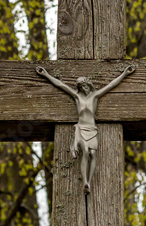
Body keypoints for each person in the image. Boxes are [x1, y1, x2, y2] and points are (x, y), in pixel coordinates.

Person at [35, 64, 136, 193]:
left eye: (85, 86)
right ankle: (85, 182)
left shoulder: (95, 96)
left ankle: (90, 179)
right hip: (81, 129)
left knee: (93, 154)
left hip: (92, 129)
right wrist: (46, 75)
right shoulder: (77, 97)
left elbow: (111, 85)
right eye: (81, 87)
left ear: (89, 85)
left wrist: (124, 74)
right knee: (85, 152)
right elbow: (61, 85)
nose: (83, 88)